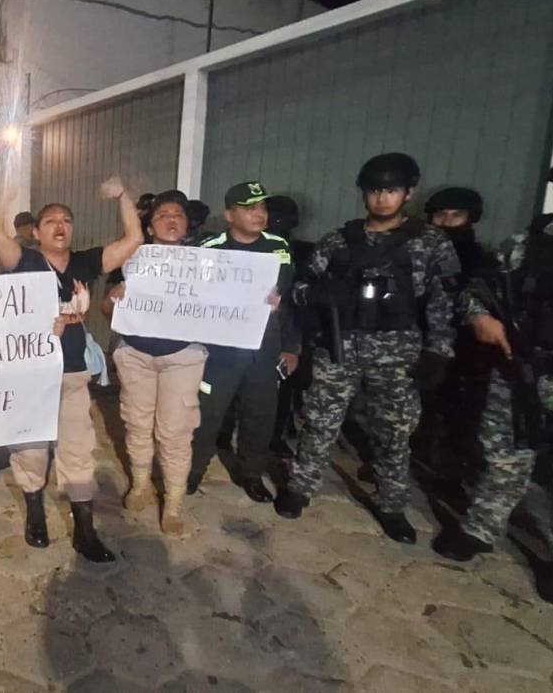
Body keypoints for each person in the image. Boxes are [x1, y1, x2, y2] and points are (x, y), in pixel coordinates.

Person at [433, 141, 553, 610]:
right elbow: (478, 290)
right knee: (504, 459)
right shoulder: (530, 243)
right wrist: (481, 319)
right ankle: (481, 530)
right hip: (521, 370)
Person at [276, 153, 460, 544]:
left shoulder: (429, 242)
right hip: (340, 345)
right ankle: (300, 487)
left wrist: (438, 351)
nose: (381, 199)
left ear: (408, 193)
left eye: (391, 190)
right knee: (320, 421)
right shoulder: (340, 240)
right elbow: (301, 286)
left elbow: (443, 301)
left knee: (394, 432)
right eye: (374, 190)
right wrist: (326, 294)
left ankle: (391, 503)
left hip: (397, 351)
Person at [0, 175, 144, 563]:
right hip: (29, 374)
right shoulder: (23, 260)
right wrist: (6, 191)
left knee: (78, 451)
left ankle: (84, 532)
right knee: (31, 450)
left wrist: (124, 196)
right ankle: (35, 512)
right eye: (51, 221)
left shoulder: (83, 262)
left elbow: (134, 240)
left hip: (73, 372)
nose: (60, 226)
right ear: (37, 232)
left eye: (67, 221)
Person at [100, 190, 208, 536]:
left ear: (187, 223)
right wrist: (114, 301)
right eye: (163, 214)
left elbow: (227, 304)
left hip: (183, 357)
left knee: (176, 431)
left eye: (178, 214)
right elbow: (105, 309)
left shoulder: (205, 263)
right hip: (136, 356)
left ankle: (174, 502)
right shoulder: (130, 257)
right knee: (137, 423)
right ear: (150, 224)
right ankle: (141, 484)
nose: (171, 220)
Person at [188, 182, 299, 502]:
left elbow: (290, 302)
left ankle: (251, 474)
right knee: (207, 414)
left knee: (260, 414)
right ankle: (194, 470)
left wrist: (291, 347)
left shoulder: (279, 247)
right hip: (219, 350)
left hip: (264, 348)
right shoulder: (210, 248)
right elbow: (193, 296)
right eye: (249, 208)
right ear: (229, 214)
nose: (259, 214)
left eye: (262, 208)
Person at [416, 187, 497, 482]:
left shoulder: (482, 259)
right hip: (419, 340)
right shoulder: (418, 253)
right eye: (441, 215)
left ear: (470, 218)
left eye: (456, 215)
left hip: (465, 349)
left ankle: (449, 473)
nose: (448, 222)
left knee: (458, 415)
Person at [265, 194, 315, 458]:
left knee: (284, 388)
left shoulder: (303, 253)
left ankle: (276, 436)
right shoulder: (249, 247)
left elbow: (300, 301)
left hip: (286, 331)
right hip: (249, 331)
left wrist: (293, 344)